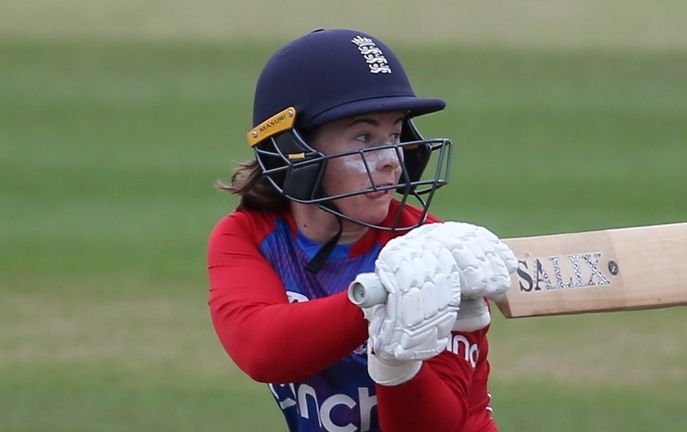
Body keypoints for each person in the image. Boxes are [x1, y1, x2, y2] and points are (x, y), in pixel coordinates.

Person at [207, 28, 518, 432]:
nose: (391, 158)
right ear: (293, 150)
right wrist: (380, 301)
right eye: (364, 137)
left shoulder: (438, 250)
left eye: (394, 134)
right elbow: (261, 351)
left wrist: (395, 363)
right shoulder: (249, 237)